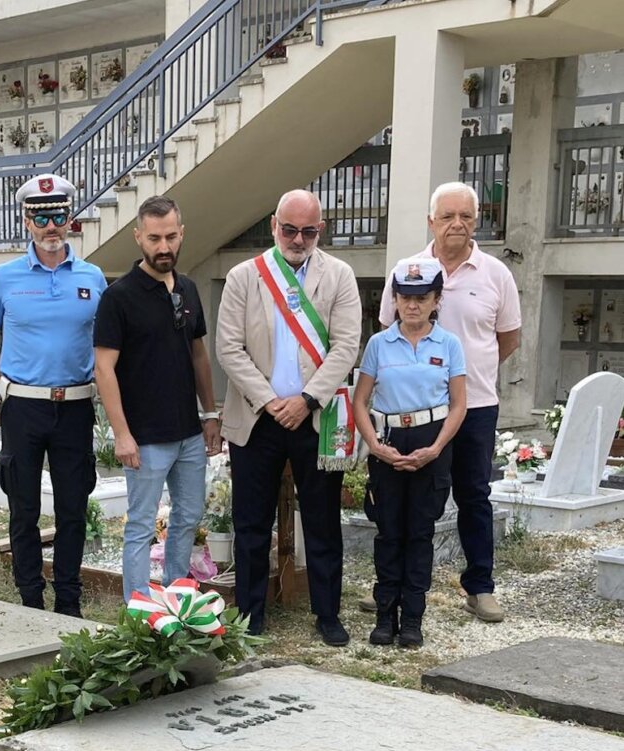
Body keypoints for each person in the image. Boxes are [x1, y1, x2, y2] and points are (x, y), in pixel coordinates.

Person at [365, 181, 521, 623]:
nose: (457, 224)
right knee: (404, 500)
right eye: (448, 216)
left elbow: (508, 339)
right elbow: (386, 334)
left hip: (473, 408)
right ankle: (391, 589)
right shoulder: (408, 269)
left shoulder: (496, 274)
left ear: (477, 221)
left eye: (466, 217)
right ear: (430, 221)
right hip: (412, 413)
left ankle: (479, 586)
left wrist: (467, 379)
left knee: (474, 494)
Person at [216, 189, 361, 644]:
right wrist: (270, 399)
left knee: (321, 521)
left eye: (309, 231)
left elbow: (346, 346)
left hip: (314, 419)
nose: (299, 239)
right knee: (251, 523)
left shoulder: (339, 275)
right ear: (274, 225)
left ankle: (327, 613)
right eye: (290, 229)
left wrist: (307, 399)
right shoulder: (244, 276)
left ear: (322, 229)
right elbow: (228, 348)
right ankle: (252, 614)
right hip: (258, 416)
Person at [0, 173, 107, 617]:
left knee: (72, 508)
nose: (51, 226)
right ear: (26, 222)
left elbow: (106, 344)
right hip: (23, 407)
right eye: (41, 217)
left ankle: (68, 600)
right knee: (23, 508)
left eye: (59, 216)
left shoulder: (93, 277)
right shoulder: (4, 278)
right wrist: (8, 379)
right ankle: (30, 599)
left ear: (71, 218)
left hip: (75, 405)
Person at [93, 196, 222, 601]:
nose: (163, 246)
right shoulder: (119, 297)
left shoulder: (188, 288)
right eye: (154, 238)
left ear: (181, 234)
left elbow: (199, 354)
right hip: (145, 438)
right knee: (141, 526)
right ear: (138, 237)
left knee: (188, 518)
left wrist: (211, 413)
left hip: (188, 433)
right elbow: (103, 368)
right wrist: (122, 434)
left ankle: (178, 600)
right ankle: (139, 610)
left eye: (170, 236)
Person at [354, 258, 467, 648]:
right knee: (388, 533)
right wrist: (375, 446)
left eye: (422, 297)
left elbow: (458, 405)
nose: (413, 305)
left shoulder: (449, 344)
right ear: (395, 300)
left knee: (419, 534)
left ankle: (413, 619)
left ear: (436, 299)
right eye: (405, 297)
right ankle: (386, 615)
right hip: (388, 440)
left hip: (431, 440)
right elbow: (360, 400)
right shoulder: (378, 343)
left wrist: (436, 448)